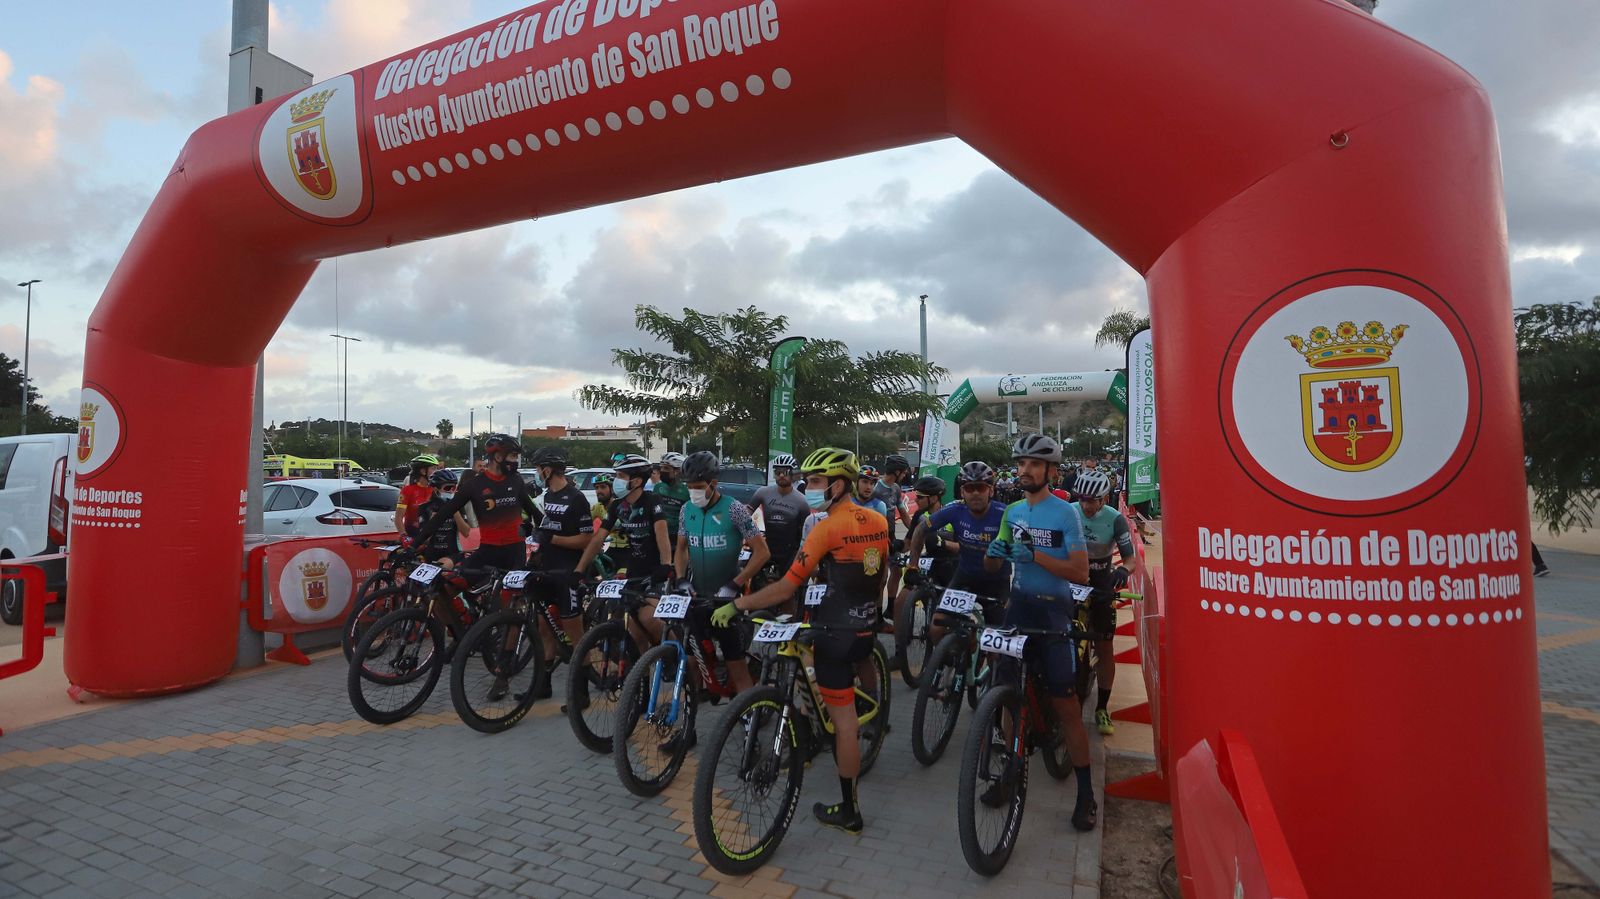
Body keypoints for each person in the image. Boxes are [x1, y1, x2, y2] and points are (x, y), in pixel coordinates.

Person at [712, 447, 886, 835]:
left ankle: (850, 809)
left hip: (833, 633)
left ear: (839, 484)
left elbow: (787, 585)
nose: (810, 487)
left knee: (843, 725)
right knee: (824, 688)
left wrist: (738, 604)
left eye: (818, 481)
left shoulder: (826, 526)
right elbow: (881, 571)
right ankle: (811, 731)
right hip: (864, 627)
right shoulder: (877, 519)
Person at [984, 433, 1097, 832]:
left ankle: (1086, 794)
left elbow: (1080, 572)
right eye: (1020, 463)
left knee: (1065, 706)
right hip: (1018, 607)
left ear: (1051, 471)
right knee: (1007, 697)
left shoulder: (1065, 513)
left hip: (1053, 613)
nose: (1024, 470)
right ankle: (1008, 773)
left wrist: (1036, 556)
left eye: (1033, 464)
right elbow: (995, 563)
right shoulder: (1011, 511)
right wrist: (994, 555)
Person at [675, 451, 769, 694]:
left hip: (726, 596)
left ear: (713, 484)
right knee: (692, 663)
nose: (692, 492)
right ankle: (689, 725)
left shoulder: (734, 509)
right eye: (689, 486)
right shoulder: (687, 510)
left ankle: (750, 719)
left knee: (735, 665)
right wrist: (681, 578)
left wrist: (736, 584)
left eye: (697, 487)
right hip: (697, 594)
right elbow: (681, 549)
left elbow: (762, 553)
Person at [1071, 469, 1141, 737]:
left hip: (1101, 580)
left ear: (1104, 499)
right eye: (1082, 499)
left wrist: (1123, 571)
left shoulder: (1115, 520)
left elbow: (1131, 559)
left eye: (1093, 500)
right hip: (1071, 576)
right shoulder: (1069, 511)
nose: (1086, 505)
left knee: (1104, 646)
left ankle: (1102, 707)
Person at [525, 445, 596, 689]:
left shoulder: (576, 498)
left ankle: (582, 691)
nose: (536, 473)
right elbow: (543, 531)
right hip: (547, 567)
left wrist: (553, 539)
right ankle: (543, 685)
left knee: (575, 635)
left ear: (548, 470)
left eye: (537, 469)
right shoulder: (546, 497)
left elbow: (587, 539)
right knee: (544, 628)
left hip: (569, 571)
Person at [910, 460, 1011, 616]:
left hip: (997, 581)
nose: (975, 493)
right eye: (970, 488)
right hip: (965, 576)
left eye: (981, 488)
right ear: (962, 492)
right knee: (937, 625)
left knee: (994, 629)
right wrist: (913, 566)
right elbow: (920, 529)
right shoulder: (955, 509)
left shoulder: (1005, 514)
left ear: (991, 491)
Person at [577, 454, 675, 587]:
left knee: (647, 606)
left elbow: (661, 534)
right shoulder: (617, 505)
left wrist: (666, 564)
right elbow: (598, 538)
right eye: (616, 475)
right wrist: (579, 570)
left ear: (637, 482)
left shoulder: (653, 501)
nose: (616, 480)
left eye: (621, 476)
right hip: (634, 565)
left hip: (656, 568)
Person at [891, 475, 958, 666]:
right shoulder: (919, 517)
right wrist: (896, 545)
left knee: (951, 613)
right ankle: (899, 652)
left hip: (950, 566)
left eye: (920, 497)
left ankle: (950, 648)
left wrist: (942, 543)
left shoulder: (951, 515)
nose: (916, 500)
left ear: (934, 497)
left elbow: (962, 546)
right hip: (927, 565)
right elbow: (908, 543)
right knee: (901, 602)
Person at [747, 453, 808, 574]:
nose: (780, 475)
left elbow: (806, 532)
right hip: (767, 549)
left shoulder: (801, 501)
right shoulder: (763, 492)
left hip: (790, 553)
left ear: (793, 474)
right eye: (777, 472)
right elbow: (745, 515)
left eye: (785, 472)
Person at [415, 469, 469, 569]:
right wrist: (432, 521)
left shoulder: (459, 506)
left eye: (454, 487)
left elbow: (466, 533)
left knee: (440, 567)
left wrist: (454, 511)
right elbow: (425, 539)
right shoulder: (425, 507)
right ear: (436, 490)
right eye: (448, 488)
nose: (452, 491)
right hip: (431, 552)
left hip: (452, 553)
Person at [590, 473, 629, 575]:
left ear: (612, 489)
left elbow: (615, 525)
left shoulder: (622, 505)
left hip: (627, 550)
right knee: (588, 571)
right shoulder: (598, 507)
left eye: (603, 487)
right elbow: (584, 522)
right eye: (596, 488)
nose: (599, 491)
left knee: (621, 576)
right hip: (611, 549)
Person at [397, 453, 441, 543]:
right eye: (433, 468)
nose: (436, 471)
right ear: (423, 471)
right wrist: (404, 536)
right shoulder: (407, 490)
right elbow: (398, 517)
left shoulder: (435, 490)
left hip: (433, 537)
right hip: (413, 536)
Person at [654, 452, 691, 550]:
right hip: (658, 535)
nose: (662, 471)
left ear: (677, 471)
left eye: (666, 468)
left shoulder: (687, 490)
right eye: (661, 468)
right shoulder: (658, 487)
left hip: (678, 538)